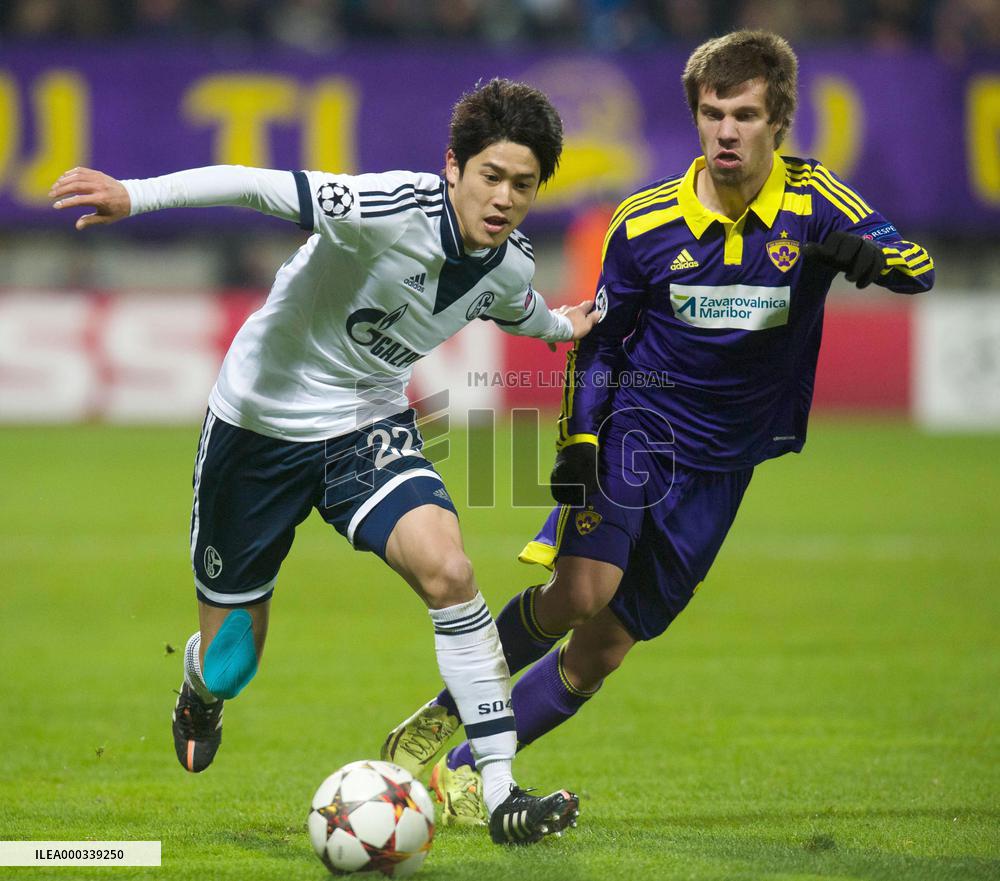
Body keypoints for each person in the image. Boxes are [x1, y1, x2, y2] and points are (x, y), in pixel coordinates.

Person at [381, 31, 936, 824]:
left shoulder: (819, 207)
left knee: (602, 650)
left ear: (779, 121)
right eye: (713, 114)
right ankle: (454, 707)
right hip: (638, 432)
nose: (726, 132)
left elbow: (917, 264)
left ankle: (463, 768)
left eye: (745, 115)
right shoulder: (644, 223)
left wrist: (870, 258)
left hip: (726, 463)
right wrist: (579, 441)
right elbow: (599, 347)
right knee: (580, 591)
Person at [49, 78, 601, 846]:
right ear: (454, 167)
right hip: (258, 426)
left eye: (524, 183)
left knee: (450, 570)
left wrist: (556, 327)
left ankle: (498, 784)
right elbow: (252, 184)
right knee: (236, 659)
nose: (505, 198)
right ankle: (201, 686)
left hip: (362, 422)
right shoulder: (384, 208)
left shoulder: (508, 264)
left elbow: (521, 306)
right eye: (491, 176)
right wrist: (132, 196)